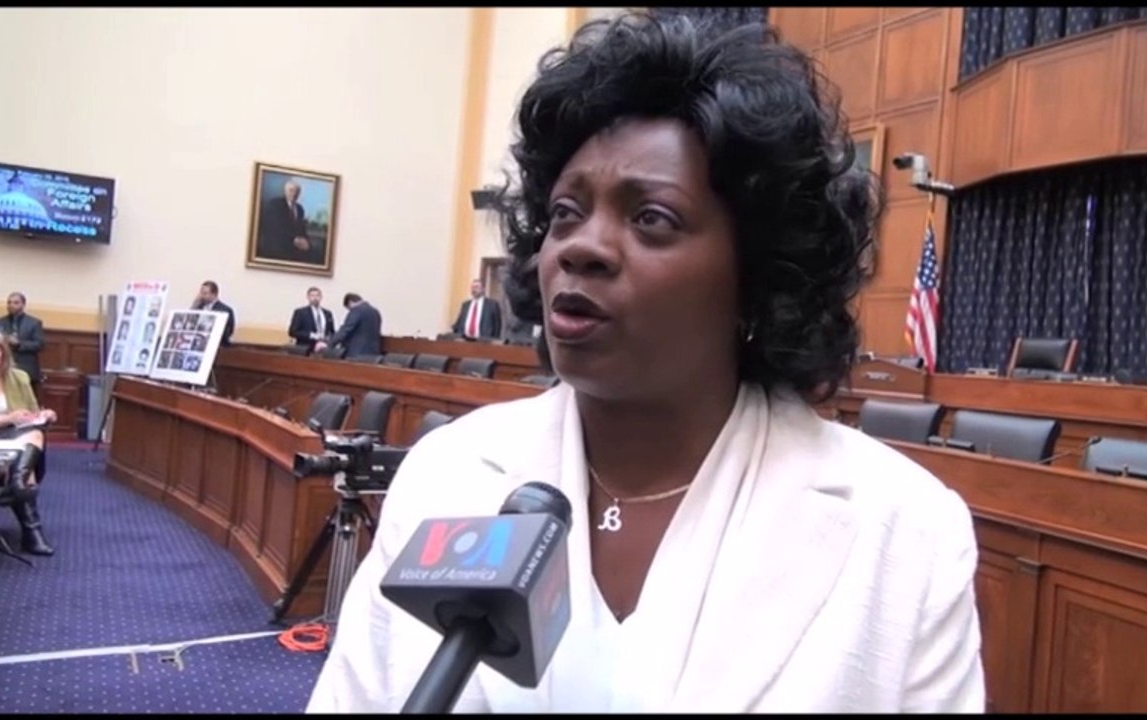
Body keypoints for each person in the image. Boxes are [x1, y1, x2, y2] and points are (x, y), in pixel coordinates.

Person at [306, 13, 983, 714]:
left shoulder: (905, 534)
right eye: (566, 212)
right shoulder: (445, 475)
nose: (580, 247)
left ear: (757, 276)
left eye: (651, 218)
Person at [0, 327, 56, 556]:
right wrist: (6, 418)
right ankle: (32, 533)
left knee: (35, 433)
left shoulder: (19, 378)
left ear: (3, 354)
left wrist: (44, 416)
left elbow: (32, 414)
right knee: (24, 466)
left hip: (15, 438)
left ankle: (16, 482)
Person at [0, 292, 46, 395]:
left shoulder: (34, 323)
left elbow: (39, 344)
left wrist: (19, 344)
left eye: (15, 303)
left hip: (26, 368)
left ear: (23, 305)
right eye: (9, 302)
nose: (11, 305)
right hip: (2, 367)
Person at [258, 179, 320, 264]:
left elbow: (301, 229)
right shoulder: (276, 204)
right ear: (285, 191)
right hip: (278, 246)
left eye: (297, 192)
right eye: (291, 190)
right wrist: (294, 240)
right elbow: (276, 227)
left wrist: (306, 242)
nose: (294, 194)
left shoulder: (299, 208)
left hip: (294, 247)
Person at [315, 293, 382, 358]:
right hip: (373, 353)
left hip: (356, 352)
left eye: (349, 308)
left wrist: (329, 344)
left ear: (350, 302)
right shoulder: (375, 311)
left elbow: (346, 329)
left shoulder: (357, 311)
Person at [287, 286, 336, 353]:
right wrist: (311, 335)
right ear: (308, 297)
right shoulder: (301, 312)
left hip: (324, 348)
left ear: (321, 297)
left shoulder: (327, 313)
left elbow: (331, 332)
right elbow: (293, 331)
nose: (315, 298)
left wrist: (328, 340)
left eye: (317, 295)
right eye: (312, 296)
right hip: (305, 348)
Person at [192, 280, 235, 347]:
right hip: (198, 343)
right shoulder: (198, 307)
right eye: (201, 293)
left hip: (217, 346)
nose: (202, 296)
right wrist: (194, 304)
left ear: (214, 294)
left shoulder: (225, 310)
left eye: (205, 293)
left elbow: (229, 331)